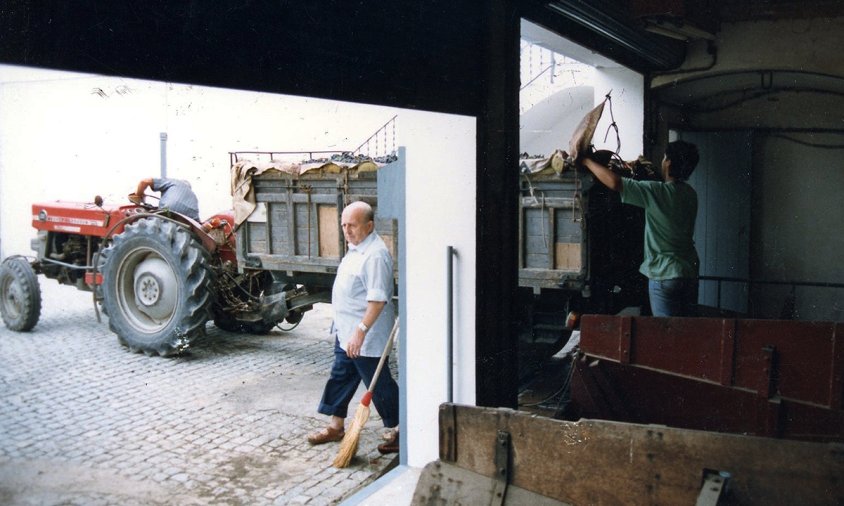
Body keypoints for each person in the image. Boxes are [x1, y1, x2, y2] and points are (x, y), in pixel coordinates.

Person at [307, 201, 399, 454]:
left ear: (369, 226)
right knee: (341, 376)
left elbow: (377, 299)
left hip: (366, 336)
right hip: (347, 332)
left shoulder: (375, 255)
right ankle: (336, 426)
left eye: (353, 226)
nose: (347, 230)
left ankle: (403, 430)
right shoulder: (357, 248)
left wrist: (360, 331)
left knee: (379, 384)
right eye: (344, 225)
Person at [580, 140, 700, 317]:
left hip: (663, 274)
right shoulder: (690, 194)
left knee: (666, 333)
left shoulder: (656, 192)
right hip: (689, 272)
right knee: (686, 331)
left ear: (668, 163)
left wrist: (586, 161)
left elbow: (615, 183)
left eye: (665, 157)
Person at [132, 177, 201, 222]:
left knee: (151, 221)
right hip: (186, 218)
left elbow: (144, 182)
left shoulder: (174, 182)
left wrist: (138, 195)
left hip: (168, 209)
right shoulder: (194, 197)